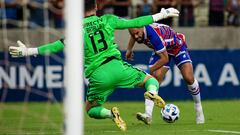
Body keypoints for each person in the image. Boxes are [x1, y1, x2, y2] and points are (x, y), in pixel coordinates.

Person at [8, 0, 179, 131]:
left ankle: (110, 114)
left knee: (91, 110)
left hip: (98, 75)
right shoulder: (108, 20)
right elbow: (134, 23)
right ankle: (151, 93)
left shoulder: (77, 29)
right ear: (96, 6)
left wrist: (28, 51)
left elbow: (56, 46)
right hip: (117, 67)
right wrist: (161, 14)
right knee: (151, 81)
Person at [127, 23, 205, 124]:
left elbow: (164, 59)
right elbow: (134, 34)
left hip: (177, 47)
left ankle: (198, 109)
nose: (136, 37)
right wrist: (129, 49)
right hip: (162, 49)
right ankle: (148, 114)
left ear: (142, 28)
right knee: (154, 79)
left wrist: (148, 71)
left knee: (188, 78)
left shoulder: (153, 35)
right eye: (133, 35)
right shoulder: (138, 29)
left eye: (137, 33)